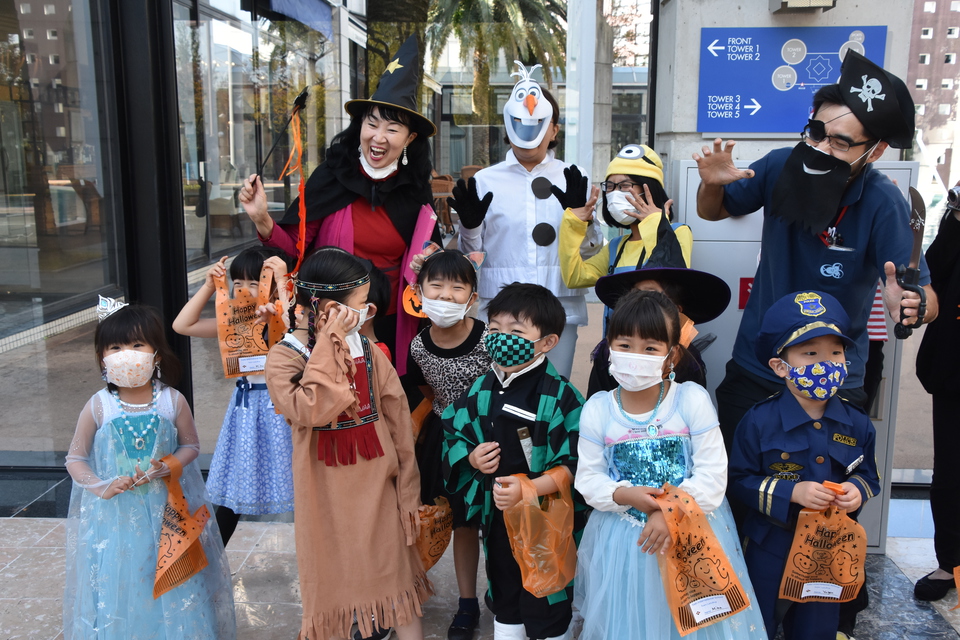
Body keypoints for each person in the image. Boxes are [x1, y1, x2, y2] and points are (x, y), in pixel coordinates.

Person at [694, 50, 938, 457]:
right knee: (739, 480)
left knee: (827, 489)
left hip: (833, 378)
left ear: (875, 151)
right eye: (815, 133)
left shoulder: (883, 202)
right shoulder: (779, 165)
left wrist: (914, 304)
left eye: (840, 142)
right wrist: (712, 185)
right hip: (758, 366)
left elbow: (926, 297)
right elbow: (713, 211)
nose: (821, 148)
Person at [240, 35, 439, 374]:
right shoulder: (331, 177)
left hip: (389, 320)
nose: (378, 137)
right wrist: (262, 219)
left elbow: (430, 256)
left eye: (392, 129)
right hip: (328, 317)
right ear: (360, 125)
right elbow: (294, 252)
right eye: (372, 123)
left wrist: (428, 258)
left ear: (410, 138)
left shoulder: (415, 190)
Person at [574, 289, 765, 639]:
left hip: (693, 535)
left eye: (650, 348)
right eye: (625, 345)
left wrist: (670, 511)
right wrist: (626, 495)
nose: (636, 356)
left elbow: (712, 475)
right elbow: (588, 479)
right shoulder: (598, 409)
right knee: (634, 620)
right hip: (627, 542)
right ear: (609, 346)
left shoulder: (691, 400)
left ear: (671, 354)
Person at [264, 247, 430, 640]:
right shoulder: (284, 359)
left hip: (379, 486)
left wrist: (407, 489)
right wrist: (329, 343)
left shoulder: (368, 350)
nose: (366, 312)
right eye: (359, 303)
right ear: (328, 308)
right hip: (323, 495)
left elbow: (398, 422)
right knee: (332, 588)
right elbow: (311, 409)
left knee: (396, 583)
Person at [64, 302, 235, 638]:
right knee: (124, 579)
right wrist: (99, 485)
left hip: (165, 513)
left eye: (137, 344)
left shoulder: (173, 401)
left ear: (156, 353)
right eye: (115, 347)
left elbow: (191, 446)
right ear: (101, 357)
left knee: (173, 577)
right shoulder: (99, 405)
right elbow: (75, 458)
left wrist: (169, 465)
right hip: (115, 519)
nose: (126, 354)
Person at [728, 290, 880, 639]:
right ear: (780, 366)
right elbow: (738, 480)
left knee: (817, 628)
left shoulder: (857, 422)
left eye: (835, 353)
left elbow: (868, 474)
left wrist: (856, 490)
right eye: (810, 353)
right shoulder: (758, 420)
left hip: (829, 547)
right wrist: (791, 492)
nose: (825, 364)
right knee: (757, 625)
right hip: (770, 543)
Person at [442, 282, 586, 640]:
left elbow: (576, 463)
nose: (502, 338)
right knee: (504, 588)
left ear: (548, 342)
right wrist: (472, 457)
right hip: (498, 515)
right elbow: (454, 430)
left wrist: (528, 489)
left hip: (546, 518)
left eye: (516, 332)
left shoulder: (562, 396)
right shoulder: (481, 388)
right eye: (494, 329)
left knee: (547, 596)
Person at [452, 61, 599, 379]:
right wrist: (469, 226)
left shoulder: (574, 177)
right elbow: (471, 256)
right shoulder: (485, 180)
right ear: (508, 127)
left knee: (554, 391)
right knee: (501, 391)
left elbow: (592, 251)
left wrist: (583, 220)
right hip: (502, 312)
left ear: (554, 129)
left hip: (560, 306)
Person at [172, 247, 295, 545]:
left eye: (254, 283)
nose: (243, 290)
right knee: (235, 489)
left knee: (299, 485)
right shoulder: (235, 324)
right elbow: (182, 325)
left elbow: (296, 329)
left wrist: (284, 283)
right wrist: (207, 286)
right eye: (237, 282)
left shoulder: (289, 321)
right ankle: (212, 562)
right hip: (246, 410)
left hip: (284, 410)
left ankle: (317, 562)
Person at [405, 246, 491, 640]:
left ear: (473, 296)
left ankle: (497, 592)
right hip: (444, 442)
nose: (445, 295)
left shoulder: (489, 338)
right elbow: (425, 389)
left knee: (490, 521)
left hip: (487, 439)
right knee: (457, 520)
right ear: (419, 291)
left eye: (457, 287)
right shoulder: (419, 345)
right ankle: (465, 603)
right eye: (436, 285)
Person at [581, 210, 730, 396]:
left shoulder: (689, 361)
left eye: (652, 295)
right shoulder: (608, 351)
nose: (641, 300)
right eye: (635, 293)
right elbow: (596, 396)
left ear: (676, 310)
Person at [558, 143, 693, 320]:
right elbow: (574, 277)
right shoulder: (616, 246)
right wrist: (574, 222)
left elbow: (669, 275)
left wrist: (656, 222)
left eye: (624, 185)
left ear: (649, 189)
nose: (614, 193)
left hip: (655, 334)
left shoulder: (679, 232)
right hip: (618, 335)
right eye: (610, 186)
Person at [913, 195, 960, 602]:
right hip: (954, 369)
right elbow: (933, 271)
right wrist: (957, 215)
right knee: (951, 471)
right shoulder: (956, 221)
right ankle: (951, 564)